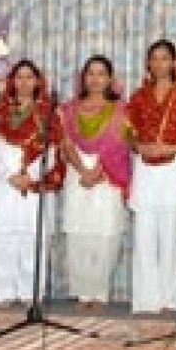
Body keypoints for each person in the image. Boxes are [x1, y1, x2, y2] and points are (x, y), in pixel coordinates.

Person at [0, 60, 65, 305]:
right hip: (5, 184)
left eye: (30, 77)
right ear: (12, 81)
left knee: (32, 238)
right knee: (2, 237)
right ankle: (3, 291)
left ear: (38, 81)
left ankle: (30, 292)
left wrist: (32, 177)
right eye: (19, 77)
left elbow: (54, 150)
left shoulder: (49, 113)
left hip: (33, 185)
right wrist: (10, 175)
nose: (24, 82)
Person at [127, 40, 176, 315]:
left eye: (164, 58)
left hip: (174, 167)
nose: (159, 64)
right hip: (145, 169)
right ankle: (146, 299)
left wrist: (174, 146)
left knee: (170, 236)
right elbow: (127, 129)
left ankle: (170, 299)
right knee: (144, 235)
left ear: (174, 62)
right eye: (153, 58)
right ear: (148, 63)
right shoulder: (139, 96)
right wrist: (138, 146)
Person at [60, 55, 130, 305]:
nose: (95, 78)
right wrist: (83, 170)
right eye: (91, 73)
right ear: (84, 77)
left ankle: (99, 292)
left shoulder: (122, 110)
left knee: (105, 233)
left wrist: (98, 172)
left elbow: (119, 148)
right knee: (78, 232)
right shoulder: (69, 109)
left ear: (110, 79)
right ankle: (82, 291)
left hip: (107, 177)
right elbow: (65, 143)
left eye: (101, 73)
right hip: (78, 174)